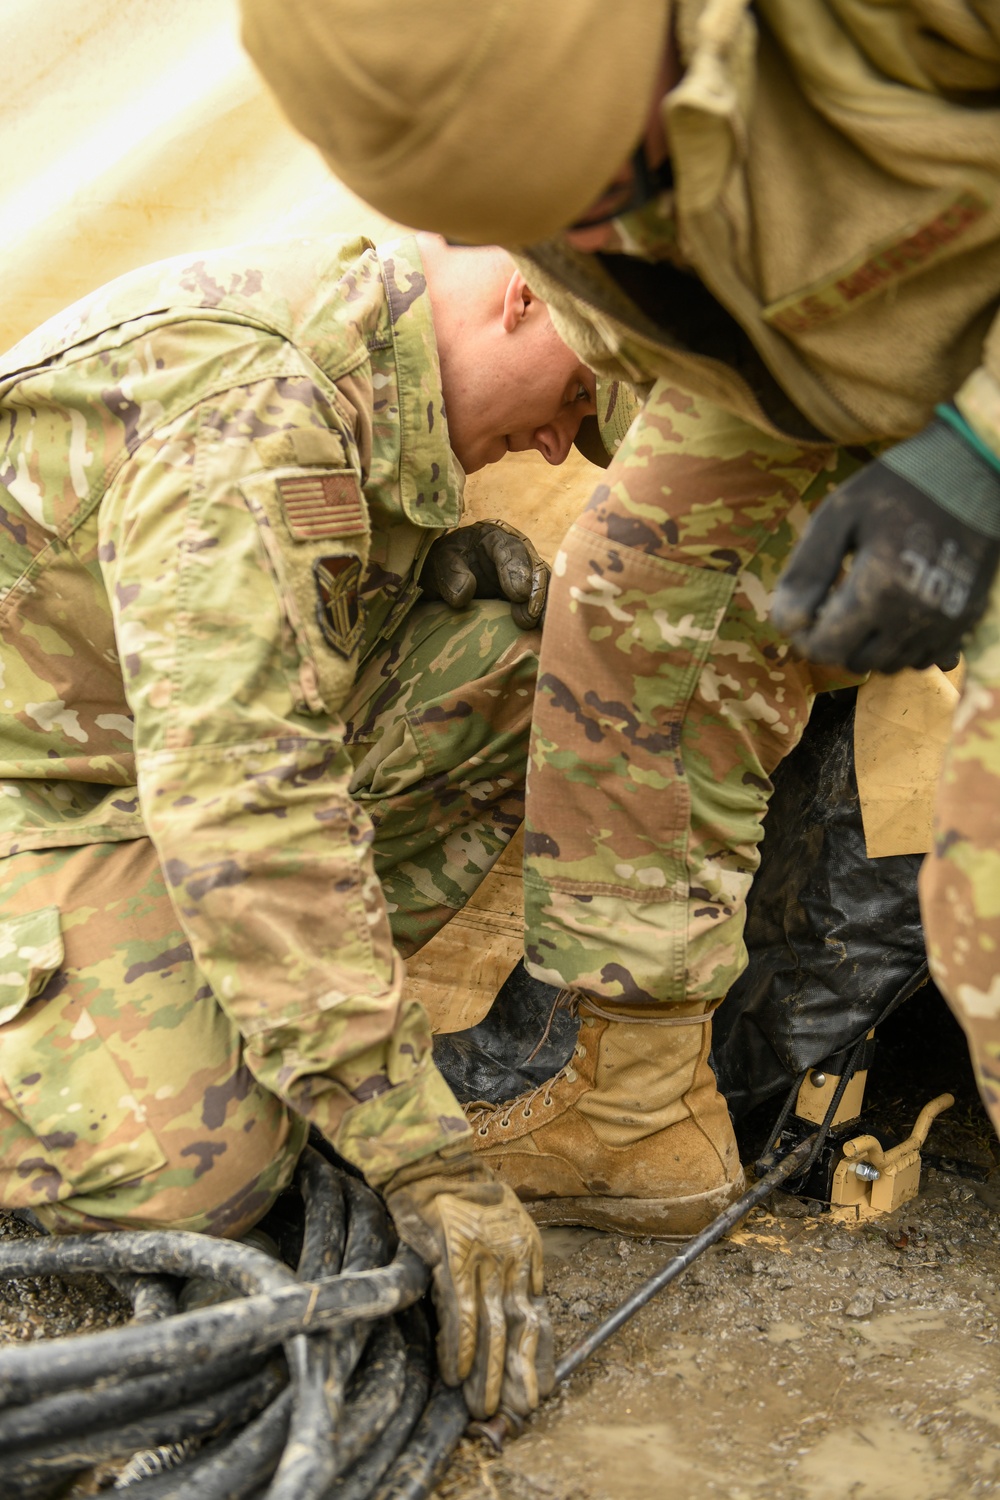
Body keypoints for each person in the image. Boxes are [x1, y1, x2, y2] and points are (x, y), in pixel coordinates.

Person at [238, 0, 1000, 1223]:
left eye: (611, 177)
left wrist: (974, 445)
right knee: (639, 584)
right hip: (817, 317)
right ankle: (632, 1106)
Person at [0, 228, 603, 1418]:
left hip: (117, 756)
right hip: (39, 782)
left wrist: (412, 559)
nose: (552, 443)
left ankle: (246, 1019)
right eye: (575, 398)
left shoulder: (360, 338)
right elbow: (245, 811)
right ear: (524, 297)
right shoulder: (260, 412)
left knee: (518, 660)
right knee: (203, 1168)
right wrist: (419, 1152)